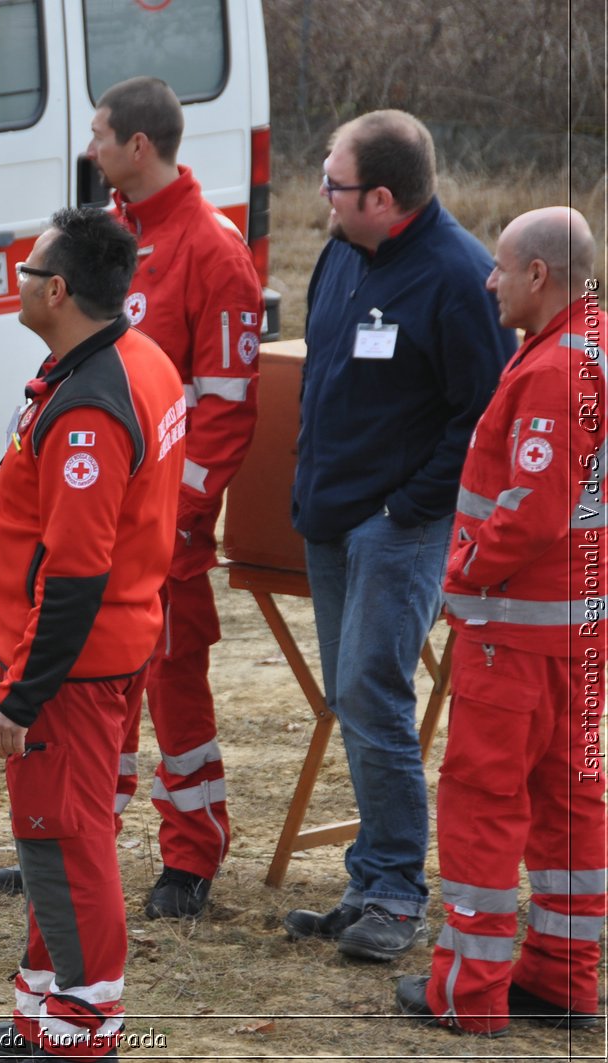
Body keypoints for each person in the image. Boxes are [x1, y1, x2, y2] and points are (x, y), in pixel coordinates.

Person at [284, 110, 514, 959]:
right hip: (331, 520)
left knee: (374, 695)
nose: (321, 194)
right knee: (351, 697)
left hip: (398, 529)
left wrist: (404, 509)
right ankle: (369, 877)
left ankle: (392, 892)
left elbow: (483, 417)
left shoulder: (460, 277)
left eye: (335, 183)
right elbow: (323, 377)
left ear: (382, 197)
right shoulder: (343, 253)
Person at [0, 207, 184, 1060]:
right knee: (55, 835)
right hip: (111, 647)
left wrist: (21, 695)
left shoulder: (91, 405)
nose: (16, 277)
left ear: (57, 290)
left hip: (71, 667)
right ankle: (46, 1011)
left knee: (65, 840)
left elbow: (74, 572)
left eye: (27, 268)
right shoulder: (135, 360)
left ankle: (82, 1028)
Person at [394, 207, 605, 1035]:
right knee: (570, 803)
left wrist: (459, 573)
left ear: (539, 276)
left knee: (484, 804)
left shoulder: (555, 371)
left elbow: (530, 508)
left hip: (513, 636)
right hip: (575, 634)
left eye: (502, 267)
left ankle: (468, 992)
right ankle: (560, 977)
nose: (490, 281)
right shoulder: (587, 347)